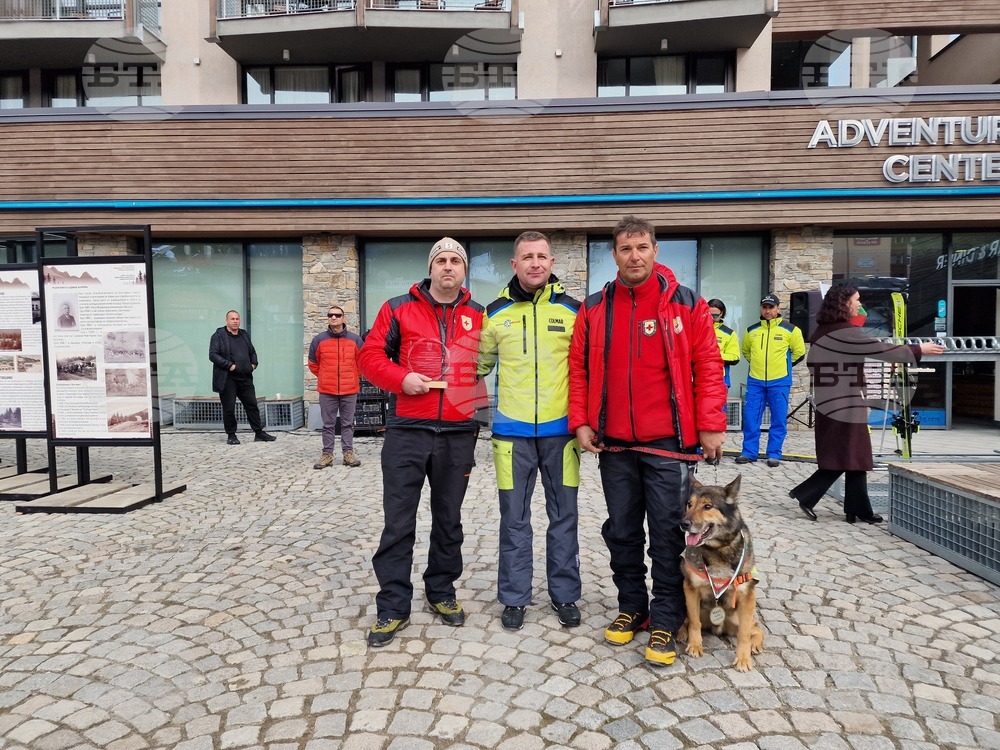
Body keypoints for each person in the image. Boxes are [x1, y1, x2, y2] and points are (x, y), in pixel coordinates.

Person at [568, 215, 727, 667]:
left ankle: (664, 619)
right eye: (625, 249)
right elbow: (577, 370)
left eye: (642, 247)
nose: (634, 256)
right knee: (621, 531)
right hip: (614, 444)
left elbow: (708, 367)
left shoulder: (686, 304)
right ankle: (632, 607)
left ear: (655, 251)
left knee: (665, 534)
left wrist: (711, 423)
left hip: (668, 444)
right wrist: (581, 421)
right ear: (613, 255)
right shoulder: (595, 307)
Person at [359, 237, 485, 648]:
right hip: (407, 431)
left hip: (458, 433)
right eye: (441, 260)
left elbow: (486, 367)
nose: (448, 267)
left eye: (456, 261)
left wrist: (475, 418)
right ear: (431, 268)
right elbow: (370, 357)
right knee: (398, 522)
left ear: (464, 270)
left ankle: (441, 591)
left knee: (449, 520)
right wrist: (400, 379)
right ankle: (393, 605)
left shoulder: (479, 315)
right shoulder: (397, 308)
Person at [478, 231, 582, 631]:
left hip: (563, 435)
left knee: (564, 517)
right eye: (527, 257)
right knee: (514, 519)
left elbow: (587, 370)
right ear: (514, 264)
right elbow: (475, 367)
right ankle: (514, 597)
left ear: (552, 263)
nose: (535, 263)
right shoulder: (494, 313)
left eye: (542, 256)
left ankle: (565, 595)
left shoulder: (574, 310)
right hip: (510, 434)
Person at [790, 285, 944, 523]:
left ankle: (857, 509)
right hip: (844, 403)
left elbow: (814, 365)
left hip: (835, 401)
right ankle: (806, 495)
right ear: (844, 303)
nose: (860, 305)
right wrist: (918, 349)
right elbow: (880, 349)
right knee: (848, 454)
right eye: (857, 300)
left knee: (855, 455)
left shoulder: (825, 330)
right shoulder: (843, 332)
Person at [736, 293, 805, 467]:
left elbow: (799, 353)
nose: (767, 310)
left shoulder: (791, 330)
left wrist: (783, 366)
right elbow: (746, 352)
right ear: (761, 308)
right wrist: (758, 365)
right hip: (756, 381)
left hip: (780, 381)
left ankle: (774, 453)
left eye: (771, 307)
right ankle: (749, 452)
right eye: (765, 307)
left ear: (777, 308)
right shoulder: (751, 330)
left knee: (778, 419)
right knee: (751, 418)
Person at [308, 304, 364, 469]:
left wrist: (353, 376)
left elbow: (362, 362)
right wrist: (325, 376)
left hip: (349, 390)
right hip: (327, 390)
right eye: (330, 315)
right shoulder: (319, 340)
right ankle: (327, 454)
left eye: (337, 315)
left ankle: (348, 453)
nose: (334, 317)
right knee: (328, 424)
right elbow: (313, 363)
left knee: (348, 423)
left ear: (343, 318)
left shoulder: (355, 340)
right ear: (328, 318)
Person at [208, 310, 276, 445]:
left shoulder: (244, 334)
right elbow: (213, 355)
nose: (235, 321)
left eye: (237, 319)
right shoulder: (218, 336)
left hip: (245, 377)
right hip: (228, 378)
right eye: (232, 319)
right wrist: (229, 366)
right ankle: (231, 435)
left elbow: (252, 351)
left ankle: (259, 433)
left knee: (252, 405)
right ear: (226, 320)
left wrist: (254, 364)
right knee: (229, 407)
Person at [707, 298, 740, 389]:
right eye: (709, 315)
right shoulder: (697, 329)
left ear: (721, 314)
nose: (712, 318)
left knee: (718, 403)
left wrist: (714, 355)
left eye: (715, 316)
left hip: (720, 377)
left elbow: (735, 357)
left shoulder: (729, 333)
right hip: (699, 375)